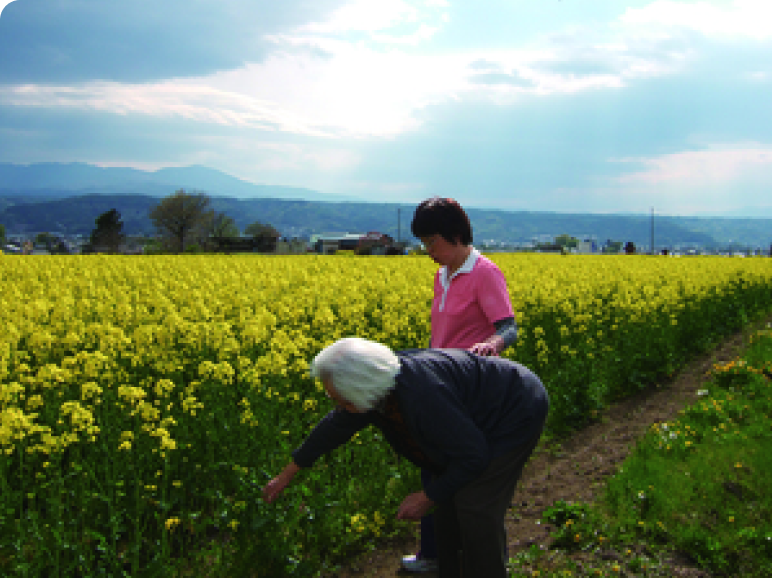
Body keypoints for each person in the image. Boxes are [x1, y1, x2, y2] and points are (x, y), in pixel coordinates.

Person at [263, 337, 548, 578]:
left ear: (365, 390)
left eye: (344, 401)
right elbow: (334, 427)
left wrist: (426, 496)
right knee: (448, 501)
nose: (342, 407)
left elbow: (473, 456)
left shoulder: (421, 395)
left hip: (514, 409)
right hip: (470, 423)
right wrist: (286, 475)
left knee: (474, 503)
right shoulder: (376, 386)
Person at [405, 196, 519, 572]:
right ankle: (434, 555)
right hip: (438, 384)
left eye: (431, 241)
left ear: (455, 235)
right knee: (431, 462)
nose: (427, 251)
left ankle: (468, 558)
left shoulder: (485, 272)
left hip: (471, 387)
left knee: (467, 478)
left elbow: (509, 327)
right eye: (423, 242)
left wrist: (493, 345)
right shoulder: (441, 276)